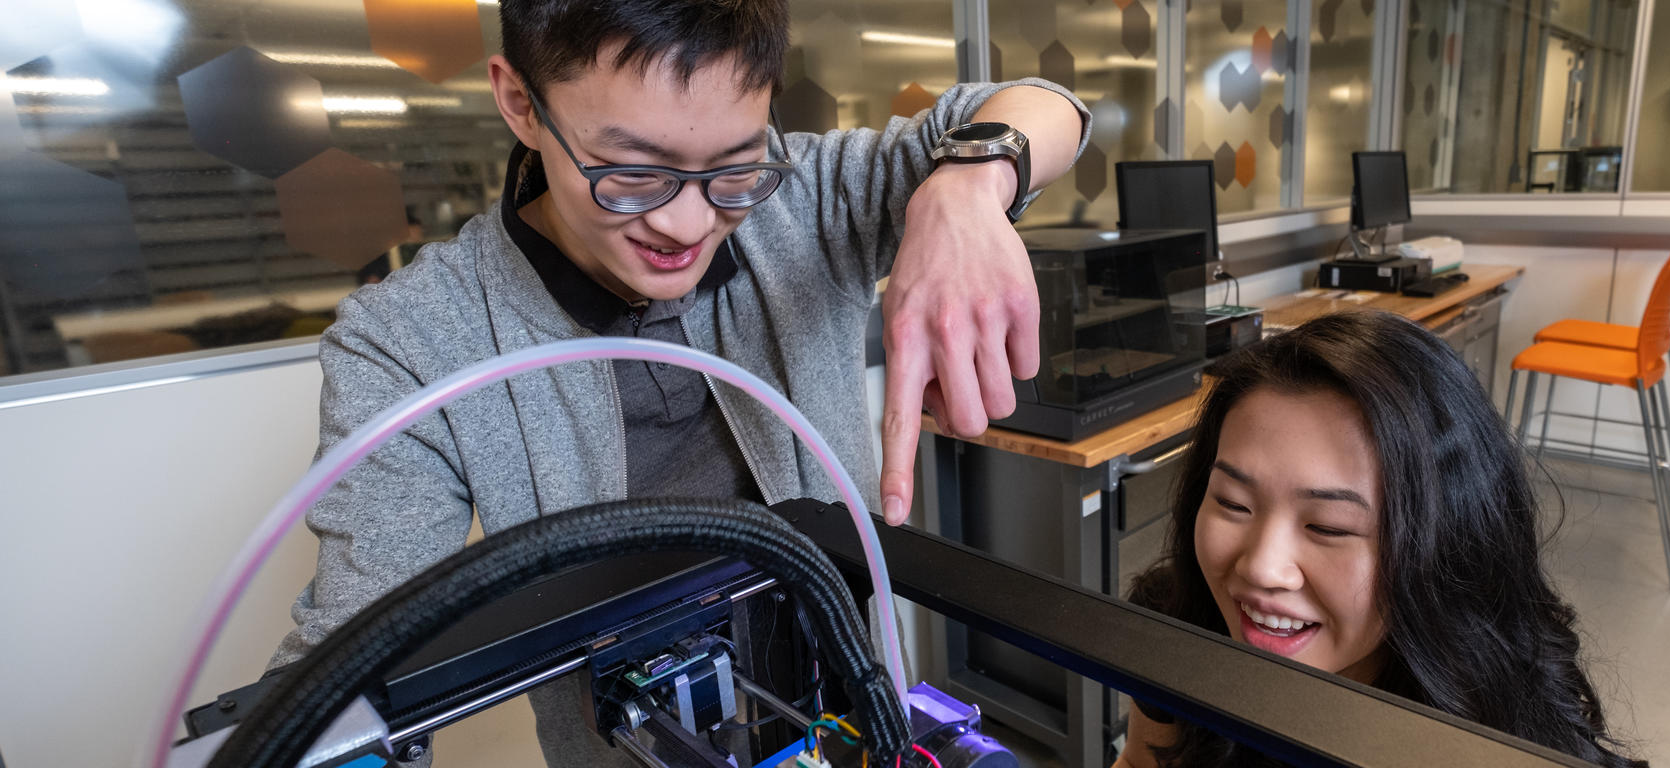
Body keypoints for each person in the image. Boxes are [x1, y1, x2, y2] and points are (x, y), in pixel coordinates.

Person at [268, 0, 1089, 764]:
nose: (687, 224)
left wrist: (969, 186)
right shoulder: (413, 341)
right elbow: (351, 653)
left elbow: (1050, 107)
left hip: (849, 721)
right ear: (520, 103)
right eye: (632, 171)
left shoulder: (806, 200)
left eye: (734, 167)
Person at [1115, 310, 1641, 768]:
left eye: (1328, 527)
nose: (1260, 568)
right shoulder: (1179, 623)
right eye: (1232, 503)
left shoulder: (1496, 735)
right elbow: (1141, 760)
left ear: (1443, 545)